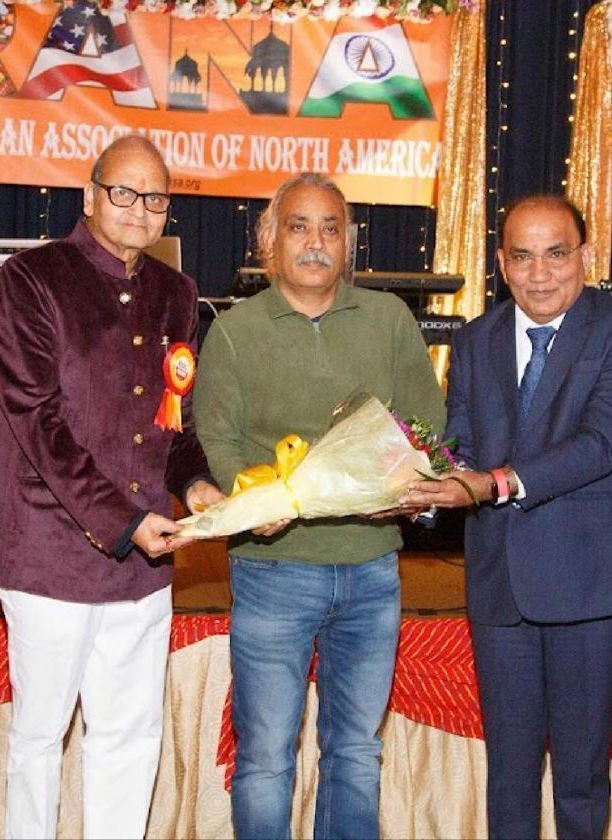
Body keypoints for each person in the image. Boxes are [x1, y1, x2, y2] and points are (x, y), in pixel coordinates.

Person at [193, 172, 446, 840]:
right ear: (269, 239)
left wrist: (396, 490)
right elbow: (215, 436)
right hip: (272, 571)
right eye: (299, 227)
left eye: (330, 228)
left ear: (349, 244)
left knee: (357, 754)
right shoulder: (234, 332)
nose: (315, 243)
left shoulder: (389, 320)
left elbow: (424, 425)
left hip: (371, 572)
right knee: (266, 759)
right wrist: (255, 500)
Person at [404, 195, 612, 839]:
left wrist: (493, 483)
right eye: (523, 257)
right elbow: (459, 440)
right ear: (501, 264)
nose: (541, 273)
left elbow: (602, 442)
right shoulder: (477, 338)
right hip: (500, 590)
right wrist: (420, 474)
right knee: (510, 779)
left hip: (589, 586)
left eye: (556, 254)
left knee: (579, 779)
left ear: (586, 256)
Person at [0, 135, 222, 839]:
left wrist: (200, 486)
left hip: (145, 566)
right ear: (90, 196)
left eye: (155, 198)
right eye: (123, 192)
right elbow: (37, 421)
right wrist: (125, 522)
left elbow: (172, 424)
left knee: (130, 736)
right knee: (38, 740)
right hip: (47, 555)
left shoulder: (177, 293)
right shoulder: (30, 281)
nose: (139, 209)